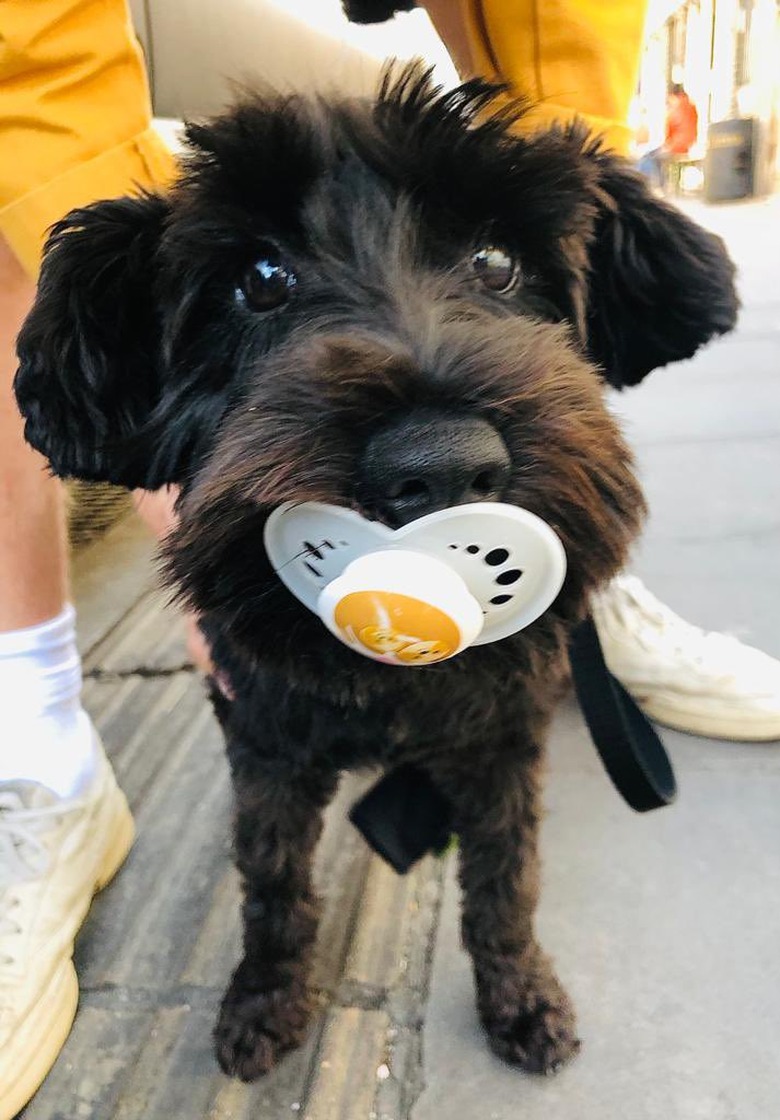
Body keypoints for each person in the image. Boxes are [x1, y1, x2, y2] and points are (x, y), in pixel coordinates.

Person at [1, 3, 778, 1116]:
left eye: (498, 263)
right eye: (263, 283)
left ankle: (506, 958)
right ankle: (262, 948)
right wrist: (192, 502)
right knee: (272, 786)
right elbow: (35, 59)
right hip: (282, 640)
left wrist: (563, 146)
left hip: (498, 656)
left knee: (502, 772)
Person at [638, 83, 699, 188]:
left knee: (649, 156)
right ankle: (659, 185)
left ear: (673, 95)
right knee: (653, 155)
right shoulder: (691, 106)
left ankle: (654, 185)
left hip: (676, 146)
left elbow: (670, 131)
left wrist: (667, 145)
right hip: (687, 145)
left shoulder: (676, 108)